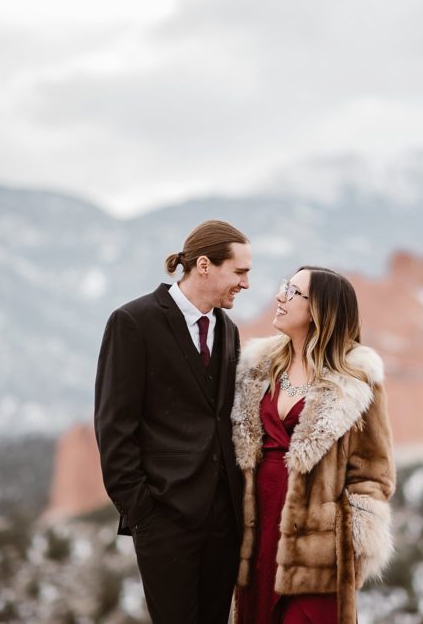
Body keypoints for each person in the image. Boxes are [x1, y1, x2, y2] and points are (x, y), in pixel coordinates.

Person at [94, 219, 252, 624]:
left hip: (224, 522)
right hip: (164, 520)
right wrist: (142, 512)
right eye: (240, 272)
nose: (246, 284)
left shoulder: (228, 331)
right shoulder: (133, 322)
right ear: (204, 265)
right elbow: (114, 426)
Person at [231, 266, 395, 624]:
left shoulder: (356, 381)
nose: (279, 296)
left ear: (321, 309)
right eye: (284, 287)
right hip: (256, 535)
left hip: (316, 550)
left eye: (292, 292)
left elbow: (374, 474)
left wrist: (346, 543)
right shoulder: (257, 368)